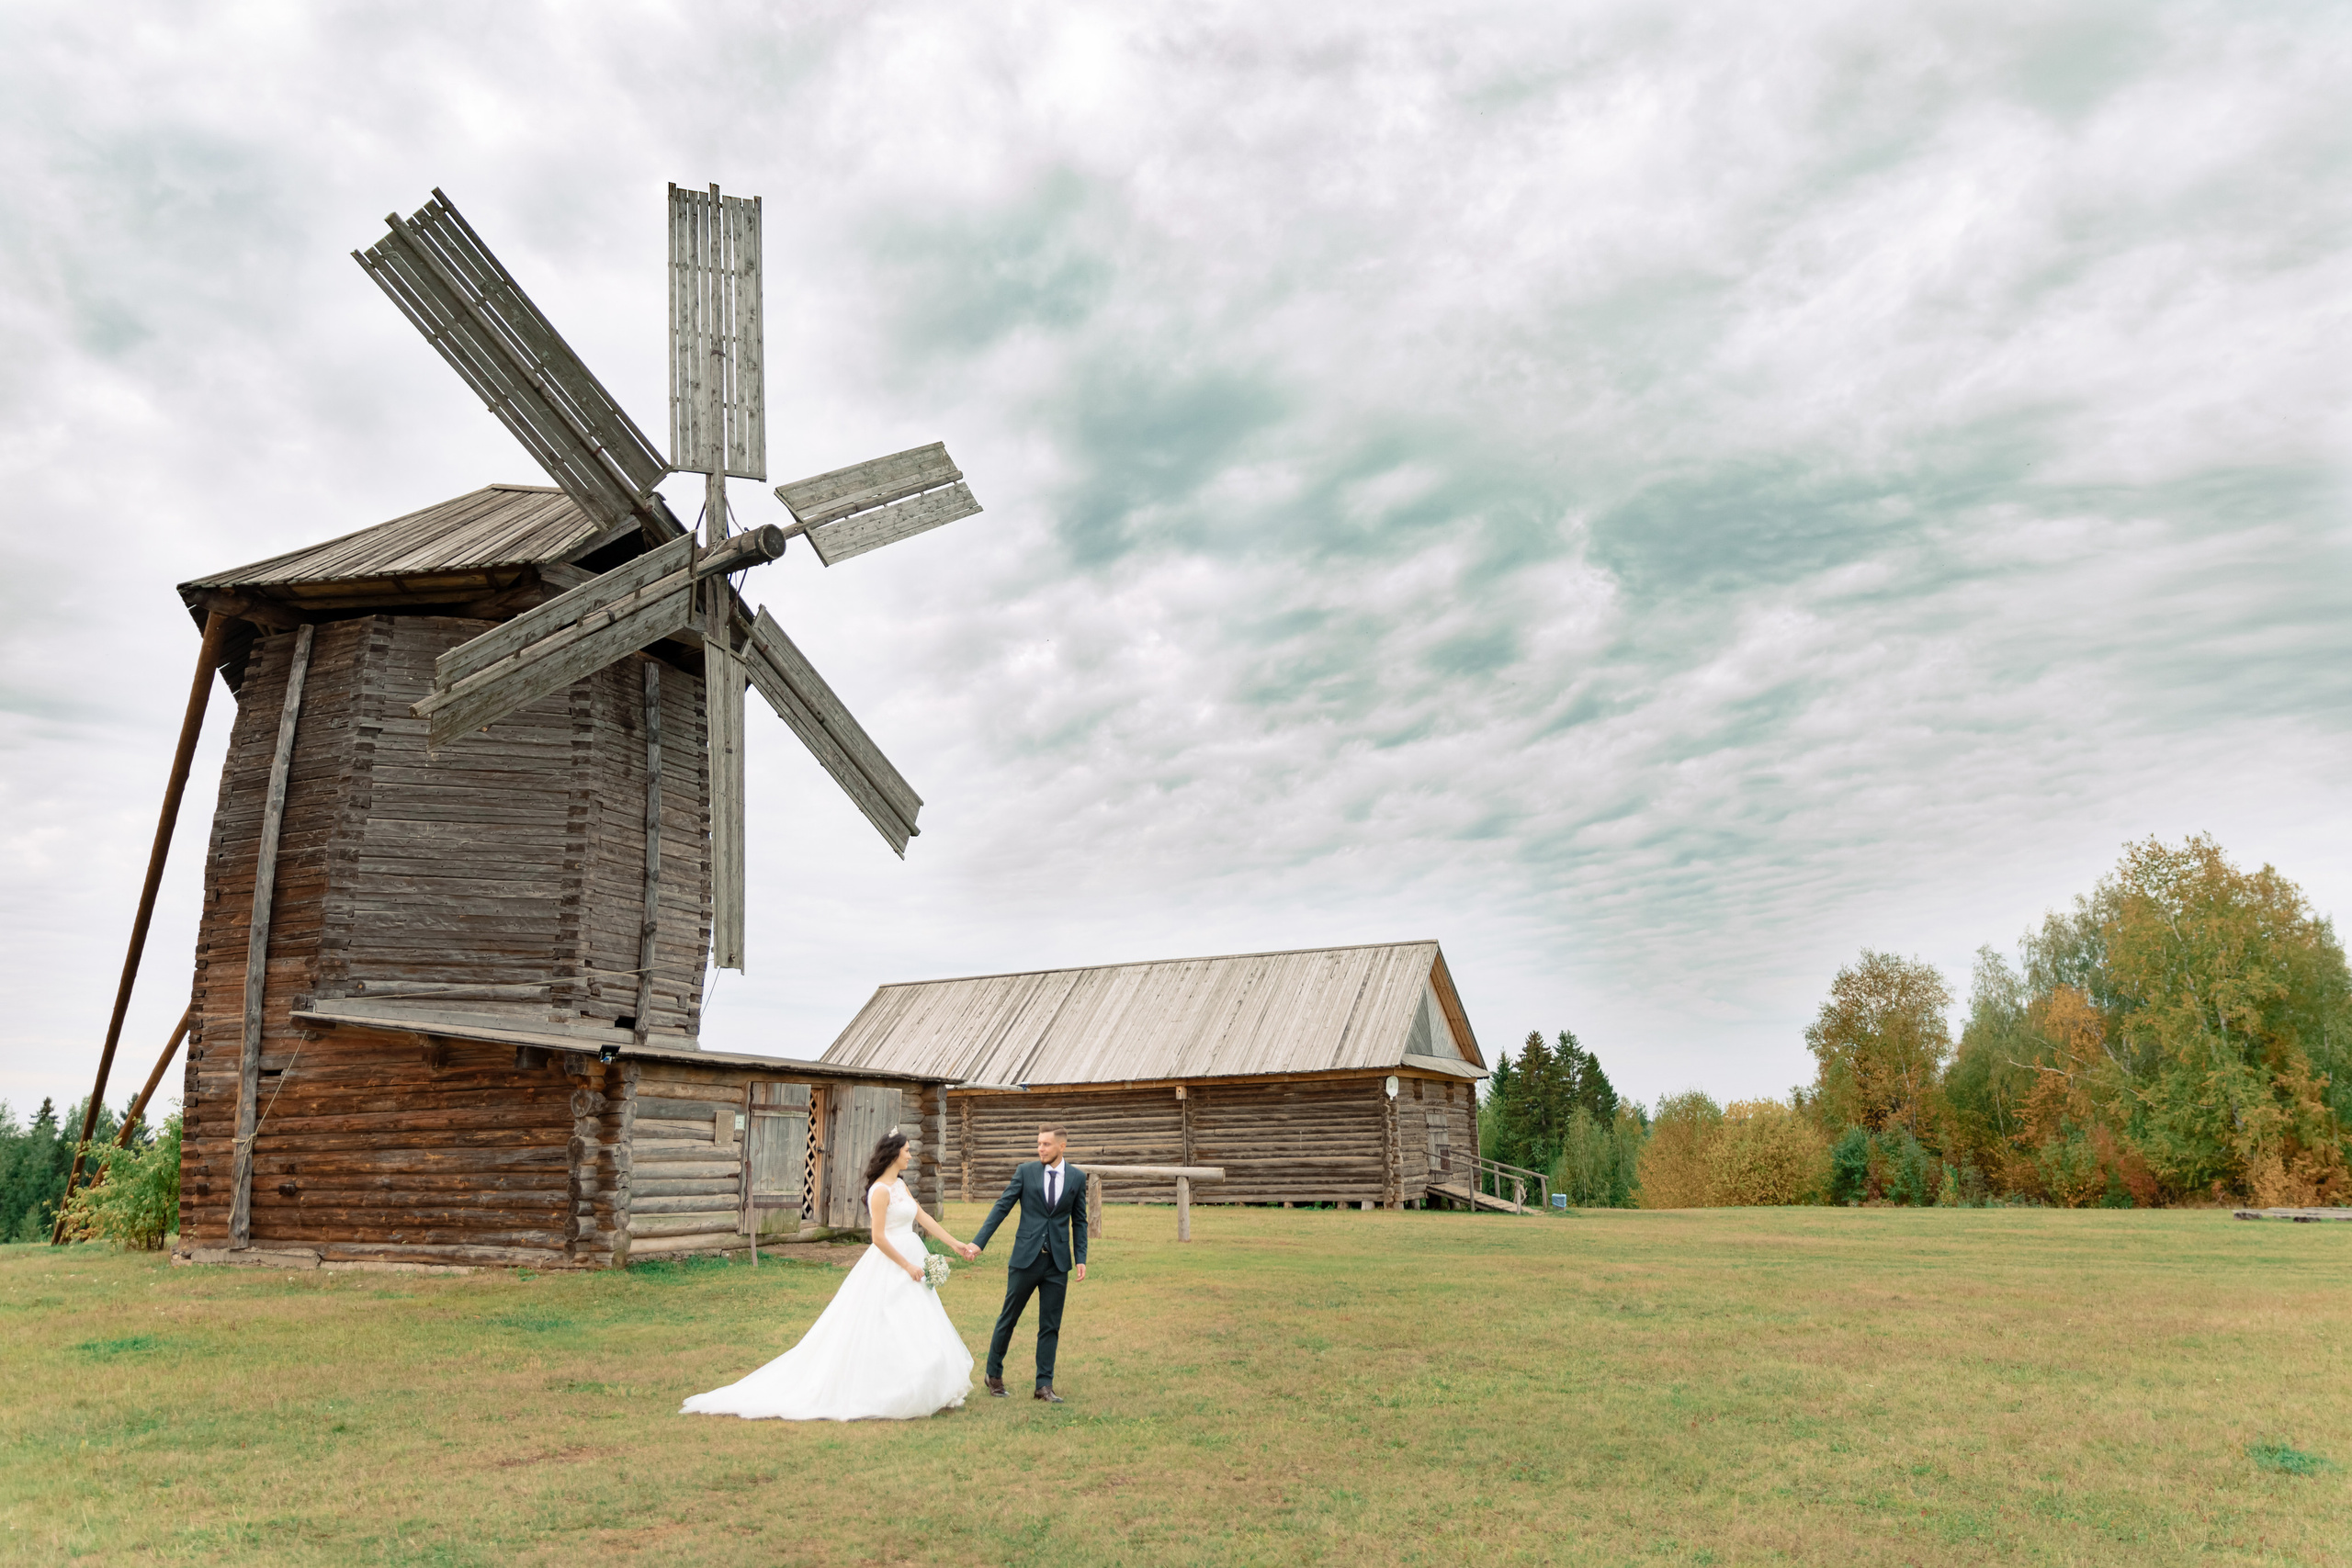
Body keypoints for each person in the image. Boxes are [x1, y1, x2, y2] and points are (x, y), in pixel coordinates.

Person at [680, 1129, 980, 1422]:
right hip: (893, 1262)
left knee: (919, 1320)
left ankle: (927, 1383)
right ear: (893, 1155)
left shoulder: (900, 1186)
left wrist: (956, 1243)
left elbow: (922, 1217)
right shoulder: (879, 1191)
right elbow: (877, 1238)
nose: (910, 1155)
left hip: (913, 1253)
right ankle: (888, 1389)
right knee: (888, 1321)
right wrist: (906, 1265)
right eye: (906, 1151)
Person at [970, 1124, 1088, 1403]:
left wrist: (1080, 1257)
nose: (1041, 1149)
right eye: (1039, 1144)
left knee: (1050, 1325)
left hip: (1058, 1263)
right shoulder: (1026, 1172)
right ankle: (993, 1374)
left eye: (1046, 1144)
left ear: (1062, 1146)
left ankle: (1043, 1385)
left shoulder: (1077, 1177)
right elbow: (1003, 1206)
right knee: (1008, 1318)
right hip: (1026, 1259)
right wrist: (979, 1242)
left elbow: (1079, 1220)